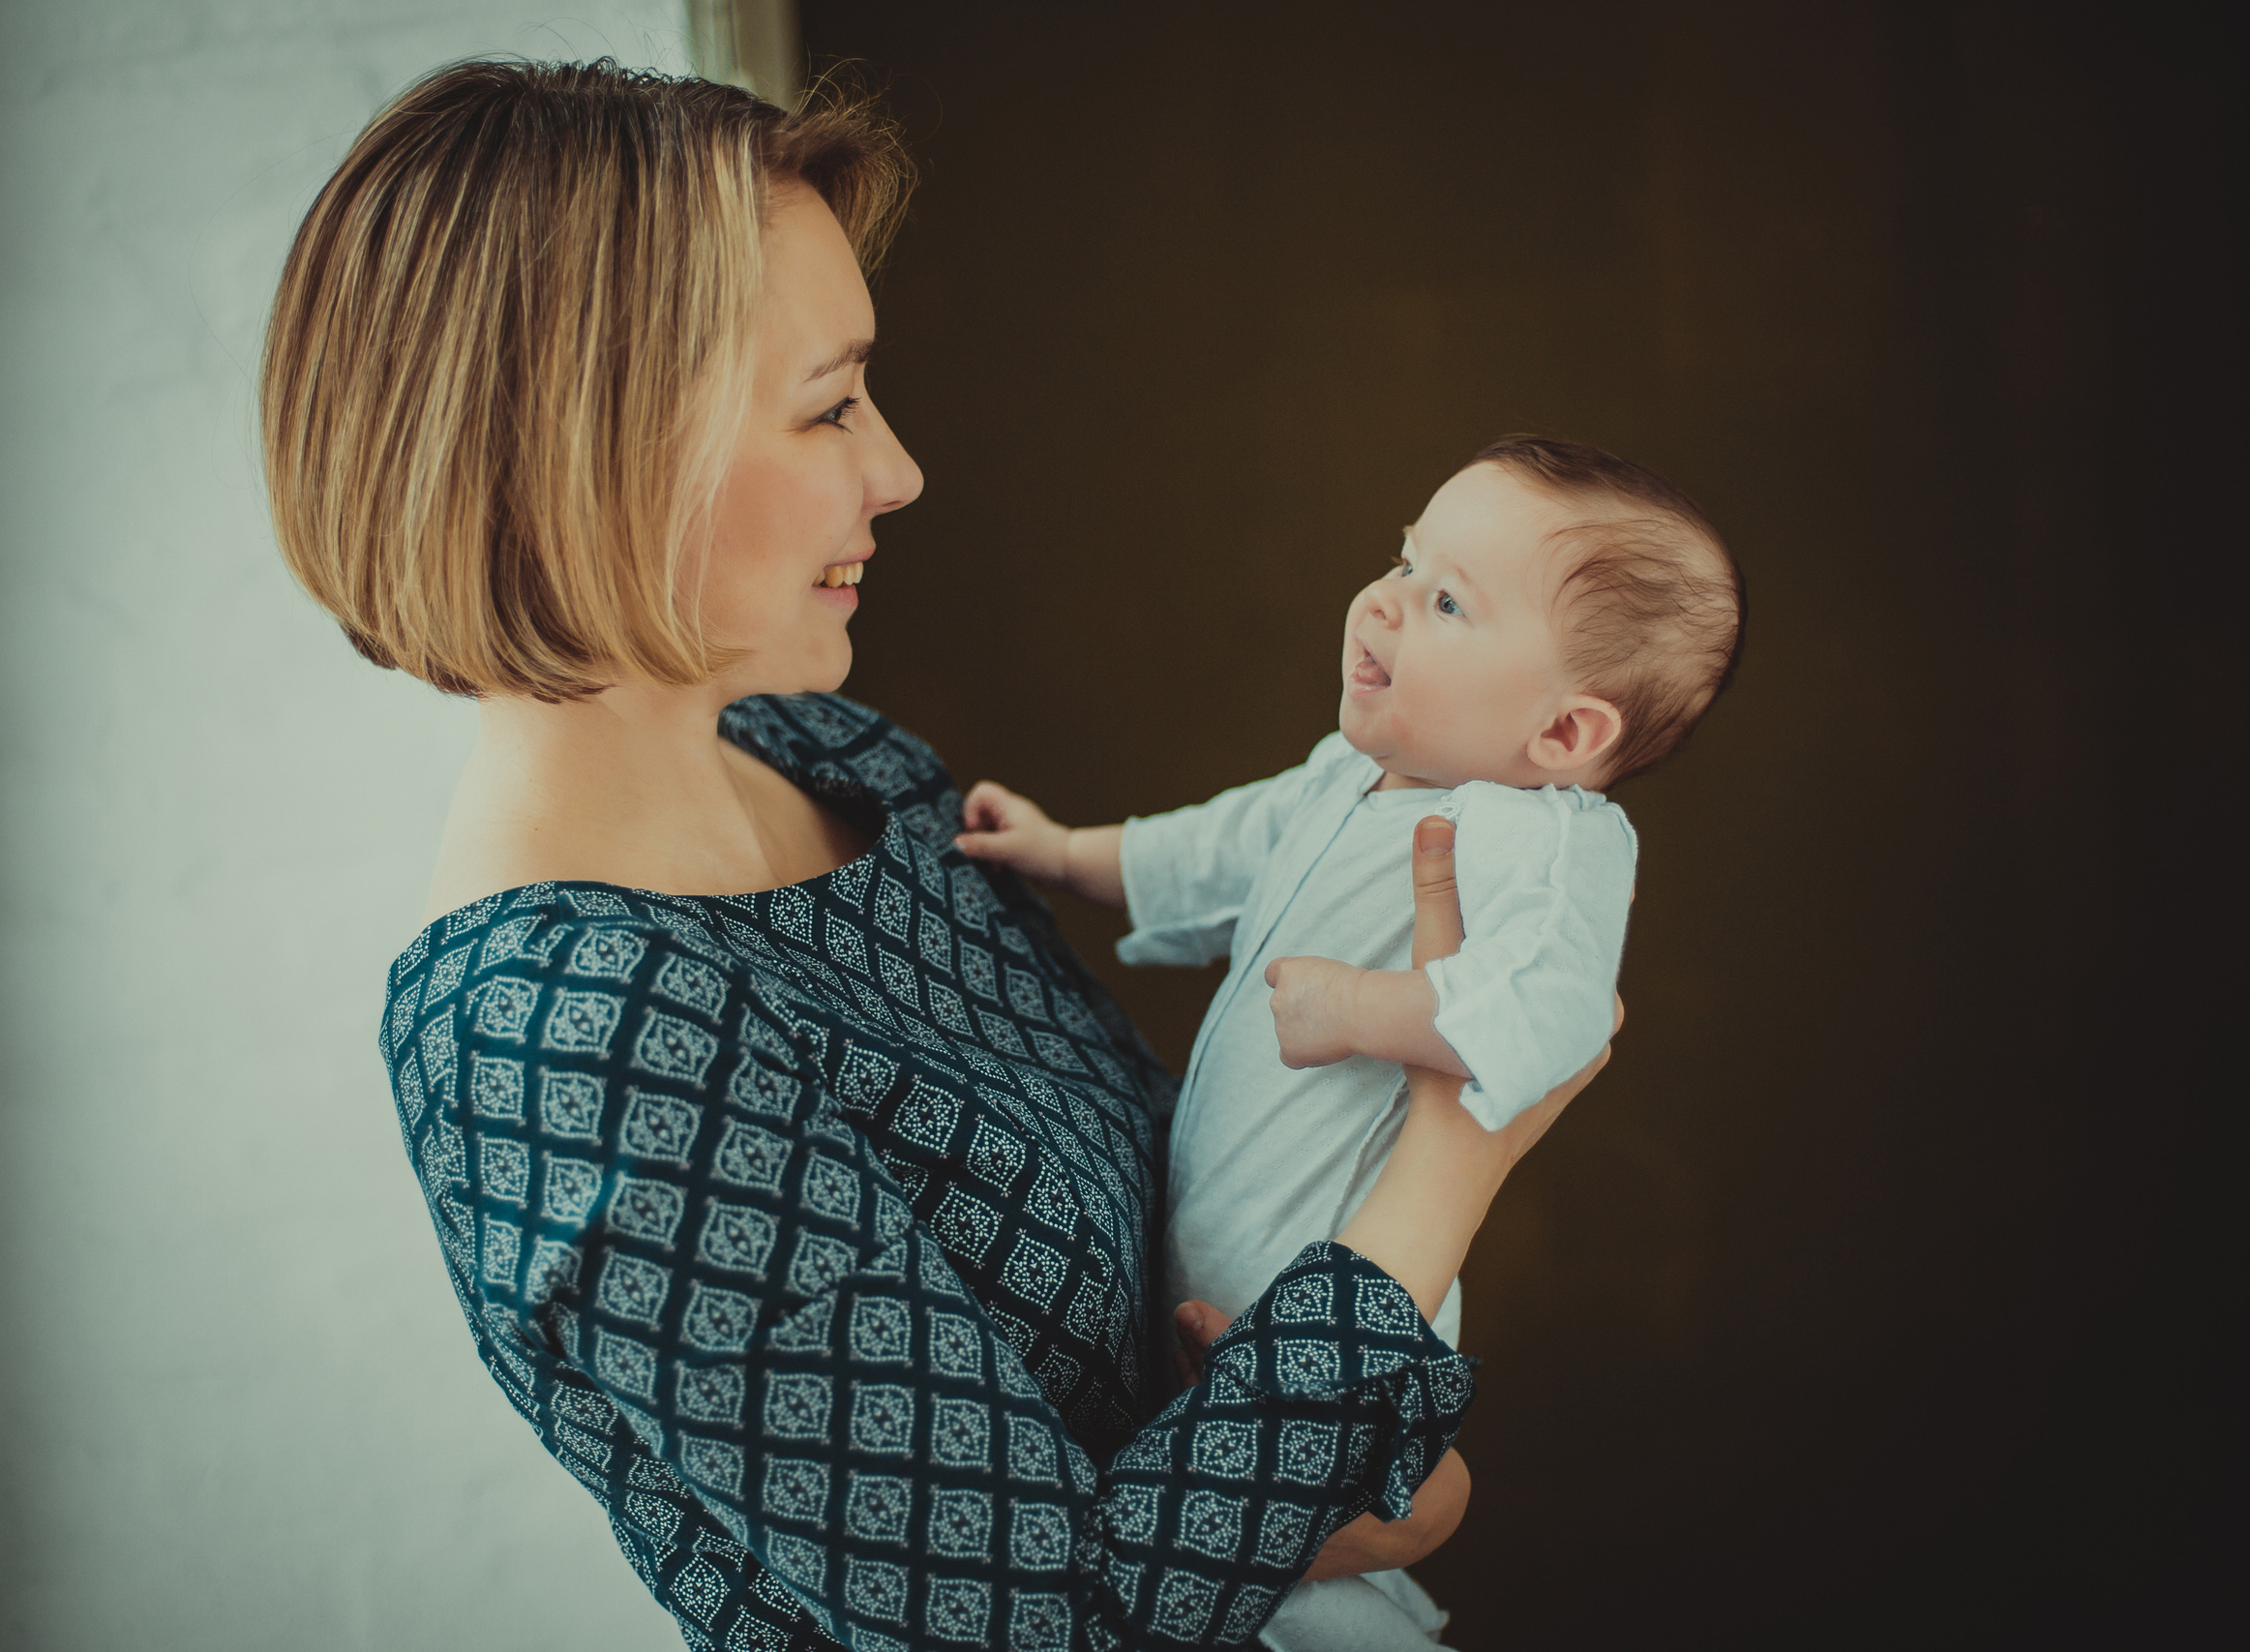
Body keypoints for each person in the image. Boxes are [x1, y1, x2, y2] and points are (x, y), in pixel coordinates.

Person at [258, 59, 1608, 1652]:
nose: (895, 469)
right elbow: (1063, 1623)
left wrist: (1389, 1486)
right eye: (829, 406)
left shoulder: (840, 768)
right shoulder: (563, 1029)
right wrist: (1452, 1158)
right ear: (598, 454)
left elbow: (1184, 1333)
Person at [957, 440, 1740, 1646]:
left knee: (1321, 1605)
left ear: (1565, 730)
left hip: (1341, 1305)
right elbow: (1213, 850)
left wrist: (1359, 1013)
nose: (1379, 600)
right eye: (1400, 559)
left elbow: (1557, 1009)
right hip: (1211, 1310)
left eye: (1443, 601)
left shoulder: (1541, 835)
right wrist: (1065, 853)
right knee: (1243, 1586)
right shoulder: (1346, 778)